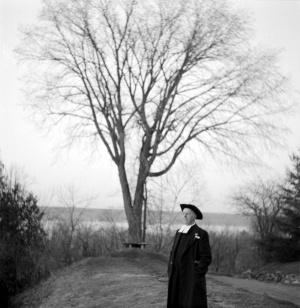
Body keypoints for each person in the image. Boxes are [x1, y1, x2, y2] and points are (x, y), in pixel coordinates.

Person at [167, 204, 212, 308]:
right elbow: (173, 252)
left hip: (191, 276)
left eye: (187, 214)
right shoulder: (179, 232)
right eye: (183, 214)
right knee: (175, 301)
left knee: (190, 302)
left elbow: (206, 258)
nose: (185, 216)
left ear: (194, 216)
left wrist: (197, 274)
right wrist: (170, 269)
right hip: (176, 275)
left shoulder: (201, 234)